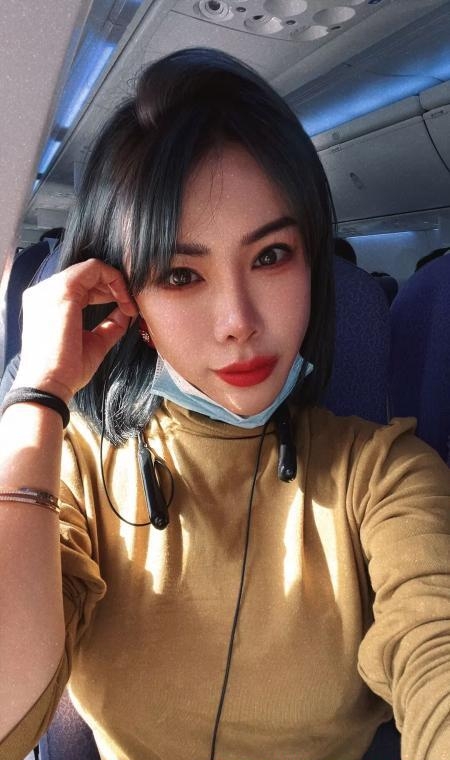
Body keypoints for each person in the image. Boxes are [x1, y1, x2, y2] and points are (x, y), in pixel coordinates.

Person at [0, 48, 449, 760]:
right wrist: (39, 391)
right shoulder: (73, 471)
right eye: (181, 275)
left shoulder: (383, 474)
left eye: (271, 256)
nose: (238, 321)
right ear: (128, 303)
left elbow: (436, 654)